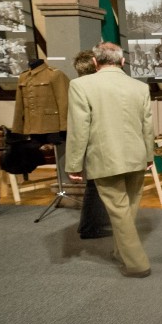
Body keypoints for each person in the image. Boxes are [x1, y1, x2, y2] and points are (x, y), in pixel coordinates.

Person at [65, 42, 155, 278]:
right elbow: (148, 126)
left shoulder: (80, 85)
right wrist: (148, 154)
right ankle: (122, 251)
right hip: (136, 157)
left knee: (120, 211)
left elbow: (78, 129)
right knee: (128, 209)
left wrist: (74, 164)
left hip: (105, 159)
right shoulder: (139, 87)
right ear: (122, 62)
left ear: (95, 62)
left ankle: (137, 263)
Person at [72, 50, 112, 239]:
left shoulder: (80, 88)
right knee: (95, 187)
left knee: (95, 186)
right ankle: (88, 227)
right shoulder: (87, 90)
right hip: (97, 144)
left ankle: (90, 224)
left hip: (94, 144)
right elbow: (81, 126)